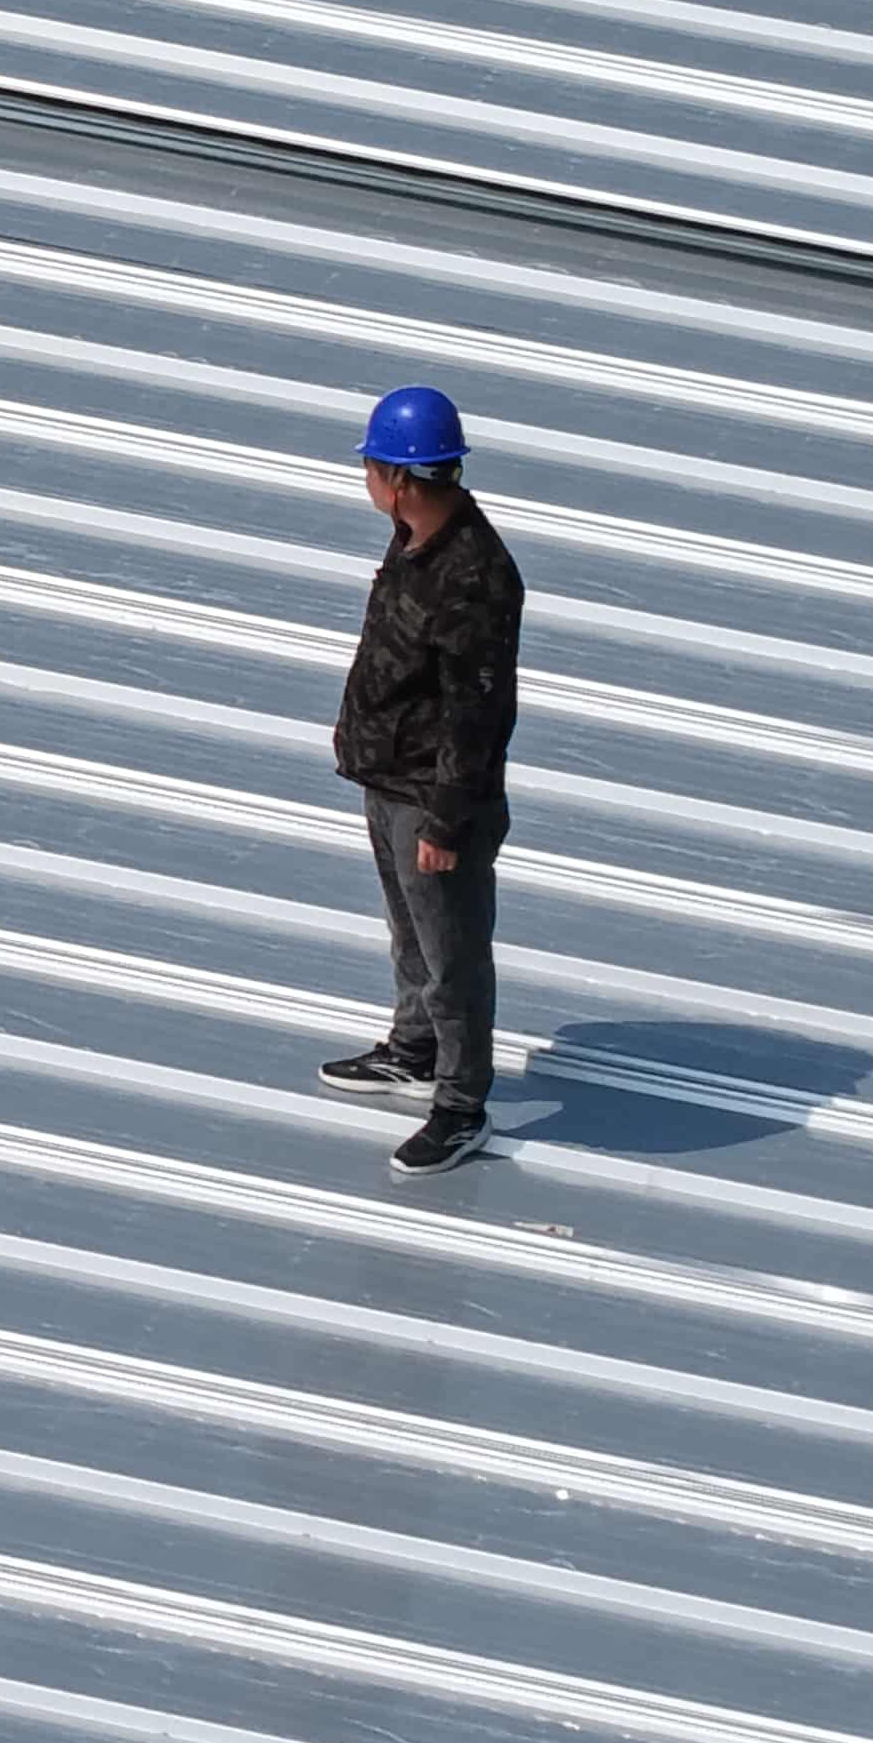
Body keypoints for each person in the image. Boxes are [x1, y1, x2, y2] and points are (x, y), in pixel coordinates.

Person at [317, 381, 520, 1172]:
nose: (366, 480)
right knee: (410, 933)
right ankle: (415, 1049)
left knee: (453, 951)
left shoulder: (473, 575)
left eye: (371, 467)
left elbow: (478, 715)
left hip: (434, 801)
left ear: (399, 478)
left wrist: (445, 822)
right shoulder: (412, 539)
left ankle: (461, 1103)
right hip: (390, 777)